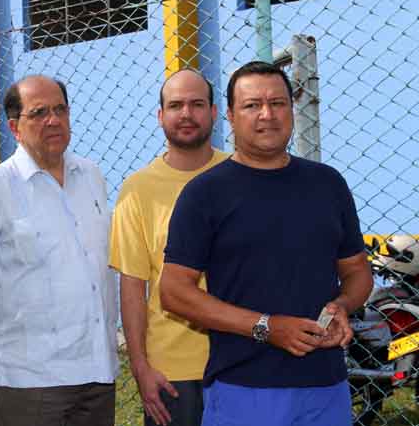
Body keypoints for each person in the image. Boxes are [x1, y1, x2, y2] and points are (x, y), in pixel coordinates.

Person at [160, 61, 374, 426]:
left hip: (327, 388)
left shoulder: (328, 184)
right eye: (251, 105)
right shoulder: (205, 193)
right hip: (244, 389)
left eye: (277, 103)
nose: (267, 115)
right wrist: (265, 326)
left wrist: (342, 305)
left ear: (291, 109)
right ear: (229, 115)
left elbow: (357, 271)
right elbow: (174, 292)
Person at [0, 75, 118, 426]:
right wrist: (6, 332)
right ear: (14, 127)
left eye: (60, 110)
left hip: (97, 369)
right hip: (30, 376)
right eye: (39, 113)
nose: (53, 120)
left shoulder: (91, 176)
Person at [109, 69, 228, 426]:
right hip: (172, 372)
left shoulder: (240, 175)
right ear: (161, 116)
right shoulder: (137, 190)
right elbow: (133, 286)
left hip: (241, 361)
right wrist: (140, 366)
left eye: (197, 104)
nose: (186, 114)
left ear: (214, 112)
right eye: (176, 106)